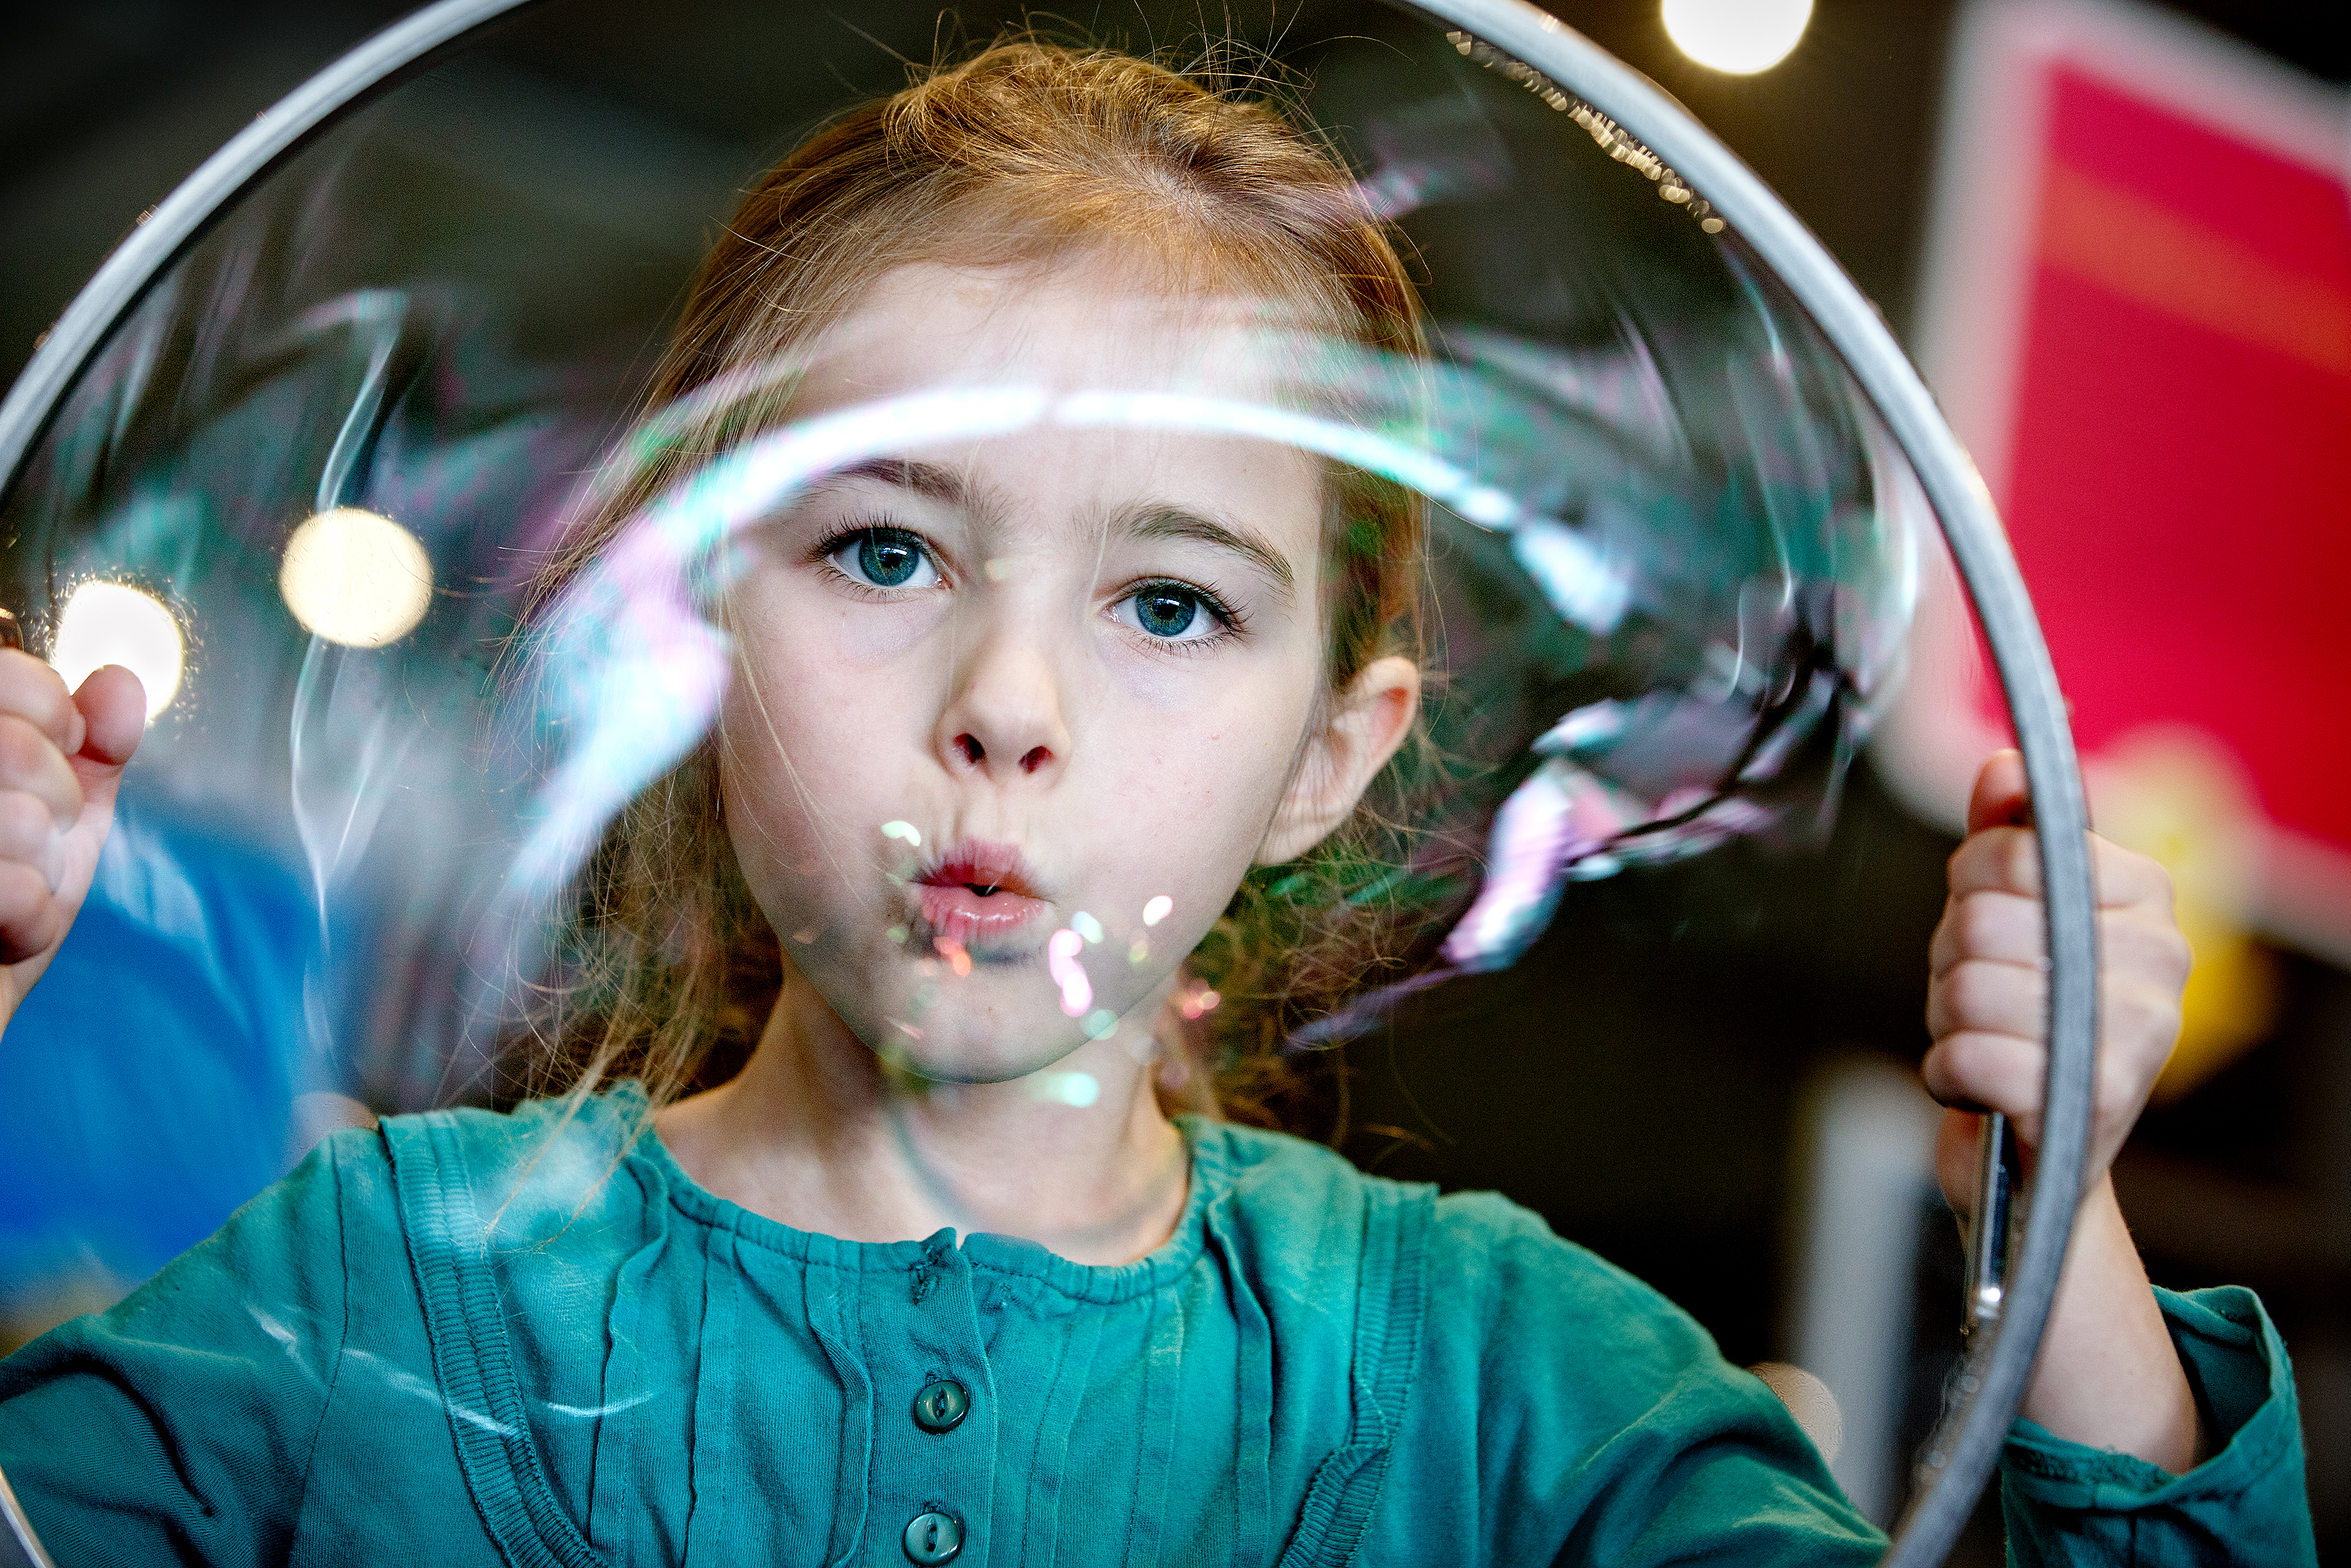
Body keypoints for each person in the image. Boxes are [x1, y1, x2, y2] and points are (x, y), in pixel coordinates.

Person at [0, 42, 2314, 1566]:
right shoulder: (353, 1294)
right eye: (883, 548)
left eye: (1174, 604)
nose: (1007, 704)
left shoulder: (1513, 1397)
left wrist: (2064, 1210)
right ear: (685, 633)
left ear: (1338, 740)